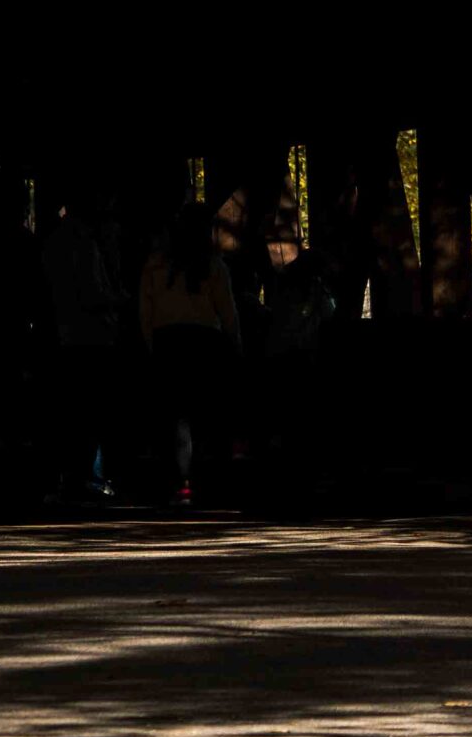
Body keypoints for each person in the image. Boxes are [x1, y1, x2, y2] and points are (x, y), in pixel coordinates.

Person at [140, 203, 240, 508]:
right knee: (206, 417)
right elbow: (228, 312)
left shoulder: (156, 264)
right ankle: (207, 483)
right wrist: (236, 347)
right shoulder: (213, 266)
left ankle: (176, 482)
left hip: (169, 343)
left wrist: (151, 345)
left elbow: (146, 311)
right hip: (204, 343)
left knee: (173, 418)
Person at [40, 192, 126, 502]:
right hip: (93, 335)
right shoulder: (86, 243)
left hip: (66, 335)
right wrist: (119, 301)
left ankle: (70, 476)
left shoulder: (52, 242)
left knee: (72, 410)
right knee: (95, 410)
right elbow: (92, 295)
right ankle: (93, 476)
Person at [252, 221, 337, 503]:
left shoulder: (283, 289)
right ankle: (303, 481)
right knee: (304, 422)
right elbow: (328, 315)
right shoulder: (315, 292)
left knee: (284, 421)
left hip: (277, 359)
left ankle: (282, 480)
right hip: (302, 360)